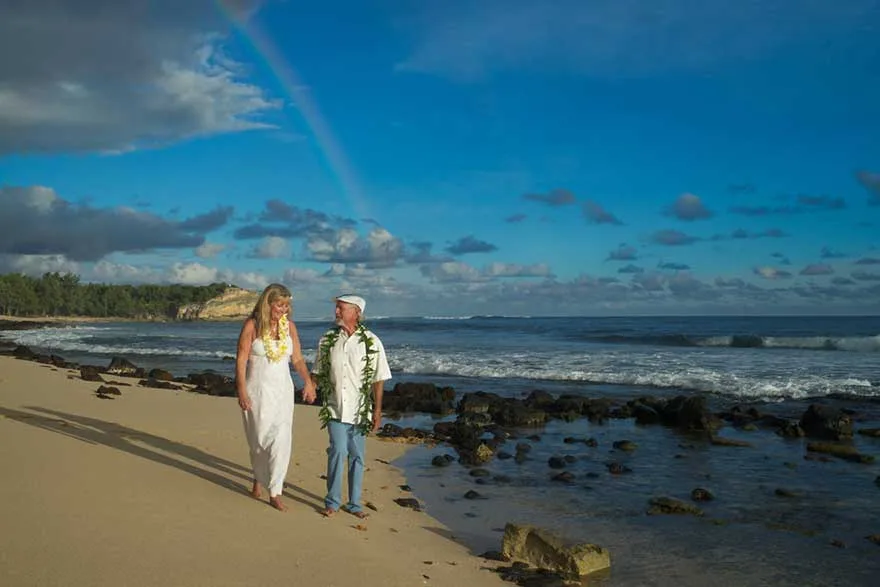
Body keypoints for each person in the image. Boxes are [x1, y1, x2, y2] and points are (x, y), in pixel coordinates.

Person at [235, 283, 316, 512]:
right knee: (258, 441)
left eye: (287, 305)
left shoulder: (289, 327)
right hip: (257, 390)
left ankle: (275, 490)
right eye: (280, 305)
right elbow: (241, 359)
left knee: (281, 438)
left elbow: (297, 359)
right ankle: (258, 477)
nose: (284, 309)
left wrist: (308, 382)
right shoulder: (252, 325)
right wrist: (241, 389)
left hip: (283, 391)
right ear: (267, 303)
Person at [311, 294, 391, 518]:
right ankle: (333, 502)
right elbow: (318, 371)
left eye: (341, 308)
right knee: (337, 451)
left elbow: (379, 377)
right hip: (335, 407)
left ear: (357, 312)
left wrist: (377, 410)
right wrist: (308, 385)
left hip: (360, 410)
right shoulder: (327, 340)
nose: (336, 312)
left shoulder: (372, 341)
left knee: (357, 456)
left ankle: (354, 504)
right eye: (337, 308)